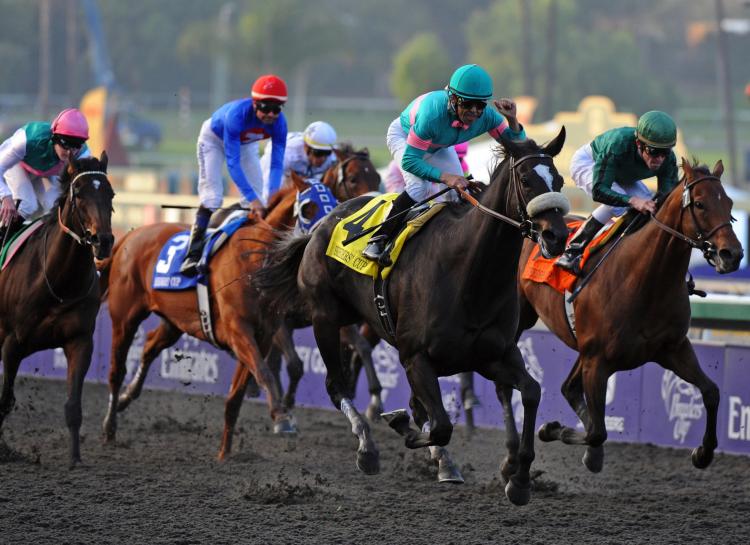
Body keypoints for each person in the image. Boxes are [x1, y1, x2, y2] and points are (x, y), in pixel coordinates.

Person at [362, 64, 526, 264]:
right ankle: (378, 239)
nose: (474, 112)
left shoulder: (487, 117)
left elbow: (519, 148)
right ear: (454, 99)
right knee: (418, 187)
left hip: (438, 144)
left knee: (458, 192)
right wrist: (445, 177)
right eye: (468, 104)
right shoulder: (432, 114)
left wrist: (513, 121)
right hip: (404, 136)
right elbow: (410, 161)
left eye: (480, 105)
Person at [180, 74, 289, 277]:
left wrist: (271, 197)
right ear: (255, 103)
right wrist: (253, 199)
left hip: (246, 145)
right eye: (266, 107)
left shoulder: (280, 124)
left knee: (263, 200)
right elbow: (232, 163)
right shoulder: (237, 116)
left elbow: (276, 165)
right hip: (214, 140)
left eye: (277, 108)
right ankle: (192, 254)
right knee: (213, 198)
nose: (271, 114)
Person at [555, 110, 679, 275]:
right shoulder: (617, 144)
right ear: (638, 144)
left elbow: (666, 201)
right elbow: (600, 191)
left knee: (652, 208)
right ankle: (572, 252)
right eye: (653, 151)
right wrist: (632, 200)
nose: (659, 159)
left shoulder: (669, 160)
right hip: (588, 163)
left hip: (621, 173)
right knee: (619, 205)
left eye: (665, 152)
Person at [0, 108, 90, 241]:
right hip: (18, 165)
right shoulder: (27, 140)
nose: (71, 152)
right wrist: (5, 196)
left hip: (45, 172)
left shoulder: (84, 155)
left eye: (76, 146)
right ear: (54, 137)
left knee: (55, 207)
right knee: (27, 203)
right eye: (66, 145)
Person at [260, 121, 337, 194]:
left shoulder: (332, 159)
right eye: (318, 153)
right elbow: (267, 185)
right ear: (306, 146)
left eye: (327, 152)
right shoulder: (287, 155)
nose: (323, 159)